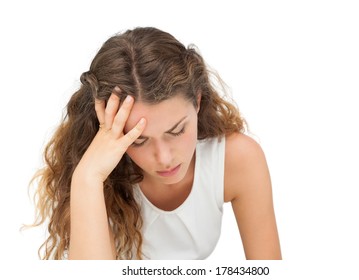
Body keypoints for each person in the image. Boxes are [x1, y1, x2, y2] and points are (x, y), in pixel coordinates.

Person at [30, 27, 282, 260]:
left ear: (197, 101)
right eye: (138, 140)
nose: (163, 158)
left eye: (176, 131)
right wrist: (88, 177)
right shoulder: (95, 175)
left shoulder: (237, 159)